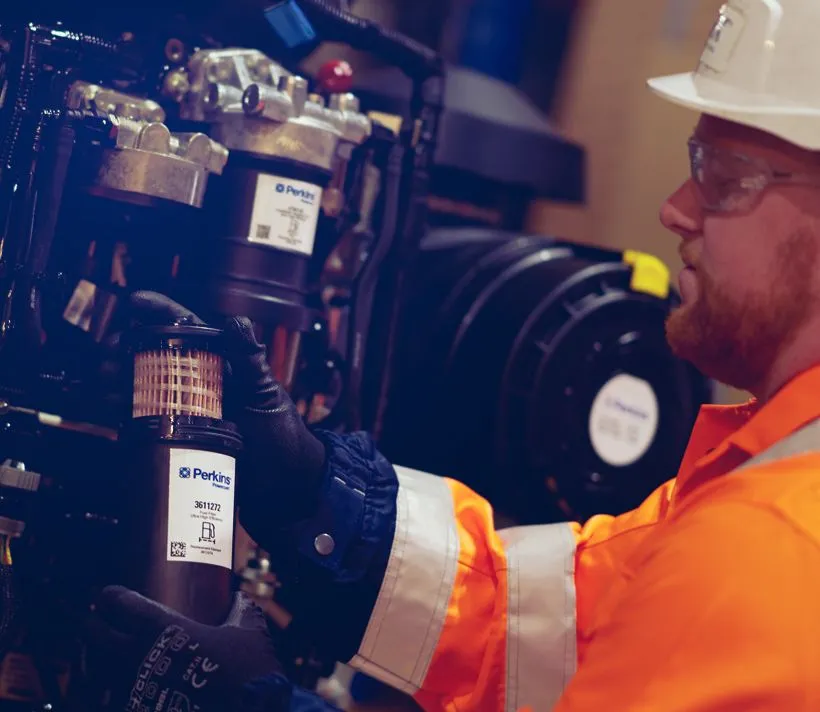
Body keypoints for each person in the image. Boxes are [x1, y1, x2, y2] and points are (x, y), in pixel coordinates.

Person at [88, 1, 820, 709]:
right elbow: (553, 625)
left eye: (726, 179)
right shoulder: (773, 476)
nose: (677, 208)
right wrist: (317, 493)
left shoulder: (768, 549)